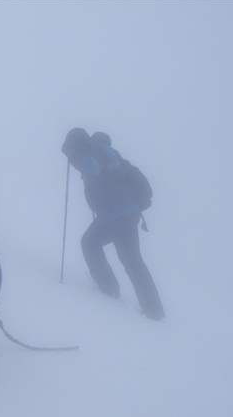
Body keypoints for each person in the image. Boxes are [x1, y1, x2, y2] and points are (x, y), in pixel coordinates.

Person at [61, 127, 165, 320]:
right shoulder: (102, 149)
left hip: (117, 216)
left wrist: (74, 155)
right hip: (122, 214)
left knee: (99, 247)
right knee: (128, 258)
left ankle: (112, 292)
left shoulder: (95, 150)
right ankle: (151, 308)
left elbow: (91, 170)